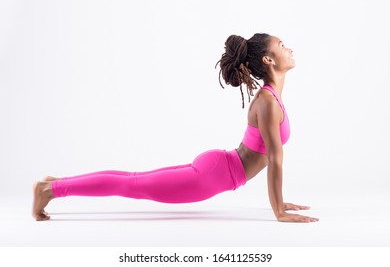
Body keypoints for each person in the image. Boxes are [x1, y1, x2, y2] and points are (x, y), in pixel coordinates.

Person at [32, 33, 319, 223]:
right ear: (269, 60)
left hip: (218, 166)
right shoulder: (268, 101)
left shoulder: (272, 96)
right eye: (282, 46)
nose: (290, 48)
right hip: (212, 176)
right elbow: (276, 161)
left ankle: (53, 182)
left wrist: (280, 202)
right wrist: (278, 210)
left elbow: (270, 158)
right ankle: (52, 189)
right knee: (132, 185)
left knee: (133, 180)